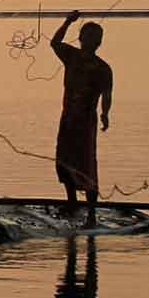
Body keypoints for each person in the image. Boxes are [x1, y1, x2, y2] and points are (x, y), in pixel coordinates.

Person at [49, 12, 112, 225]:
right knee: (65, 160)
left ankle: (92, 214)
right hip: (68, 118)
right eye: (87, 36)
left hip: (86, 122)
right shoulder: (71, 56)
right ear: (81, 38)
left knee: (86, 164)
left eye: (95, 38)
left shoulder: (103, 68)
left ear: (99, 42)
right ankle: (72, 203)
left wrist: (105, 113)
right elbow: (54, 42)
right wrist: (67, 21)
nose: (91, 41)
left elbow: (107, 94)